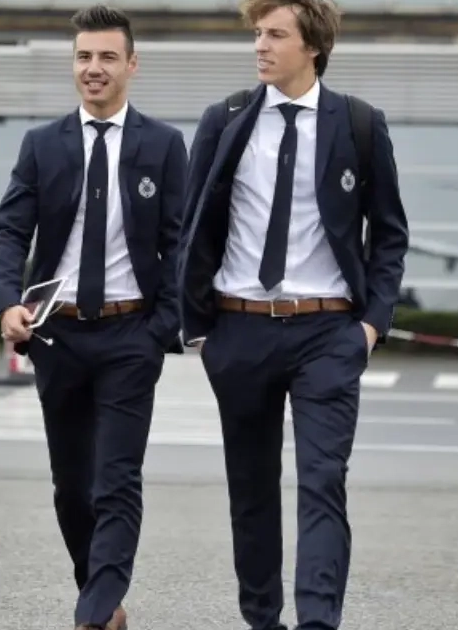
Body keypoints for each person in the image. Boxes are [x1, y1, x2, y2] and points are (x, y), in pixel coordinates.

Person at [179, 1, 409, 628]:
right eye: (258, 33)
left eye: (276, 34)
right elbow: (193, 224)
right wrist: (199, 329)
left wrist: (370, 326)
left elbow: (389, 234)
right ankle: (262, 618)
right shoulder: (225, 120)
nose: (260, 45)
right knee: (251, 489)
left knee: (322, 481)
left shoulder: (359, 124)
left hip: (328, 332)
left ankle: (317, 620)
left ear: (313, 46)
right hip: (238, 329)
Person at [0, 5, 186, 630]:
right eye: (83, 56)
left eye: (106, 57)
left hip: (131, 335)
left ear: (132, 64)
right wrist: (6, 303)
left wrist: (161, 329)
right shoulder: (42, 145)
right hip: (59, 336)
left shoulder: (163, 145)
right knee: (72, 486)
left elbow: (181, 244)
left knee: (116, 479)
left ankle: (94, 612)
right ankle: (97, 593)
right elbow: (10, 232)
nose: (93, 68)